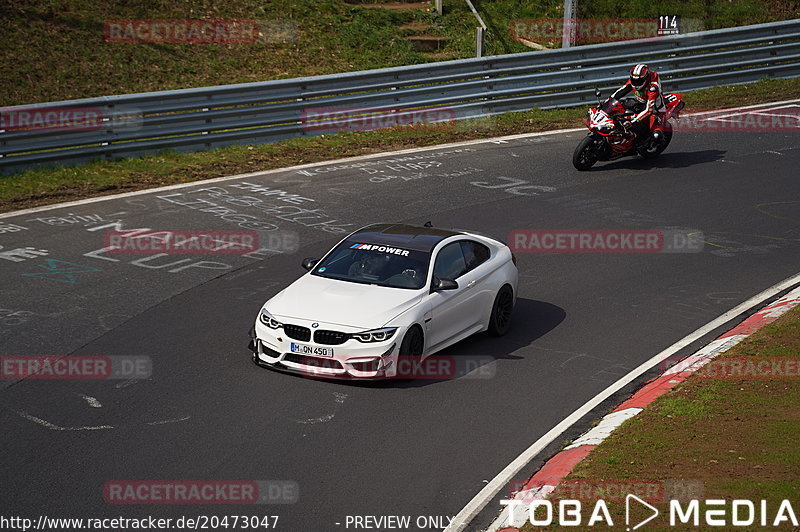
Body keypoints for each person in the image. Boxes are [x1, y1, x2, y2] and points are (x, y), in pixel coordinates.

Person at [611, 64, 666, 139]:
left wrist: (633, 121)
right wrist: (608, 102)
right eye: (634, 80)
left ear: (645, 78)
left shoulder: (653, 88)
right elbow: (620, 91)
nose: (636, 83)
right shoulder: (634, 80)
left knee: (656, 135)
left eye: (638, 81)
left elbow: (649, 110)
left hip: (655, 108)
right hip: (641, 102)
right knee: (623, 105)